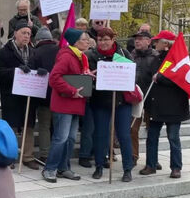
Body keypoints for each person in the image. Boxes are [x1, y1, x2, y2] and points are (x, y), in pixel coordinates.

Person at [85, 27, 135, 182]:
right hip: (100, 100)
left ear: (113, 39)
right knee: (100, 135)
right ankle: (99, 165)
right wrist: (91, 76)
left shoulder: (123, 54)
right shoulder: (91, 55)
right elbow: (85, 75)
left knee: (124, 135)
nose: (103, 42)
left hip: (121, 101)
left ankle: (127, 168)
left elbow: (134, 73)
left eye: (106, 39)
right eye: (100, 39)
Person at [41, 29, 90, 182]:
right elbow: (54, 78)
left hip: (75, 103)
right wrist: (72, 90)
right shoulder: (67, 56)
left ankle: (64, 168)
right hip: (65, 103)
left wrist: (86, 77)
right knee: (61, 138)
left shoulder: (80, 57)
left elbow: (72, 77)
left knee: (70, 139)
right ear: (75, 42)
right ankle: (49, 169)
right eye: (84, 39)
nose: (87, 41)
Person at [141, 30, 189, 179]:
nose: (155, 44)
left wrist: (161, 78)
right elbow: (151, 77)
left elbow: (180, 80)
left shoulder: (179, 59)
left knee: (173, 137)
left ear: (166, 44)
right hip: (156, 106)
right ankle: (151, 164)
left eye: (158, 41)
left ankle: (176, 167)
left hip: (174, 107)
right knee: (152, 136)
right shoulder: (157, 59)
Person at [0, 23, 39, 169]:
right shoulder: (5, 51)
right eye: (24, 33)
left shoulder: (33, 51)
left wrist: (40, 72)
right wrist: (15, 71)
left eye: (29, 33)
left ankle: (27, 156)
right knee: (11, 126)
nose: (27, 36)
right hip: (11, 95)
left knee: (29, 125)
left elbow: (37, 67)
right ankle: (10, 156)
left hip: (28, 95)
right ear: (15, 33)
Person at [129, 29, 160, 167]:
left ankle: (153, 159)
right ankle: (133, 156)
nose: (137, 41)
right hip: (135, 98)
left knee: (152, 130)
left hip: (151, 98)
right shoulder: (130, 56)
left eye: (141, 38)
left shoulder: (156, 57)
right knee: (132, 128)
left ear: (149, 41)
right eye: (136, 38)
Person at [28, 28, 58, 161]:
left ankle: (45, 154)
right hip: (59, 95)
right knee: (58, 126)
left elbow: (31, 72)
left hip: (42, 95)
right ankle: (57, 152)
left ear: (38, 40)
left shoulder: (35, 52)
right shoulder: (60, 50)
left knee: (44, 126)